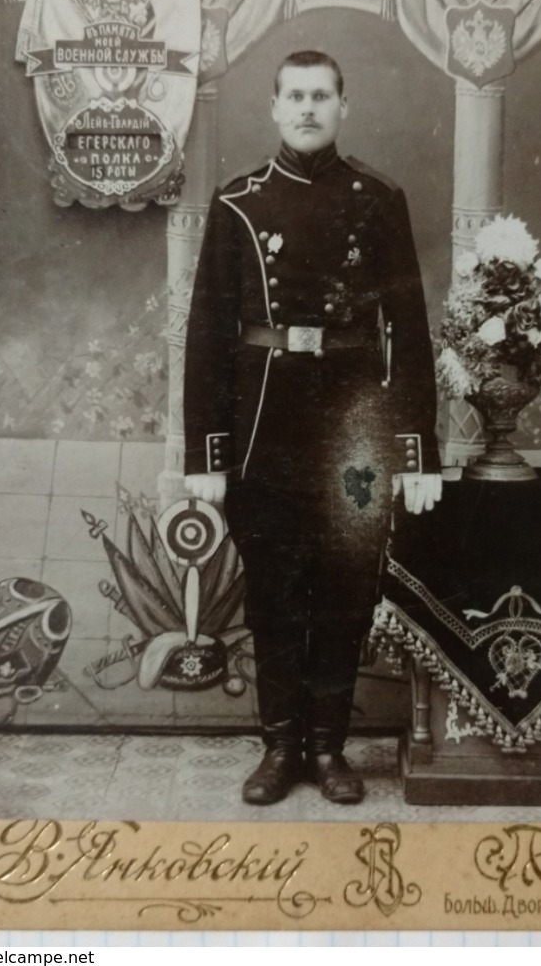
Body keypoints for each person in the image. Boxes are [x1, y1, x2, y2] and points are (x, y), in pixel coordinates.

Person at [183, 49, 442, 806]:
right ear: (273, 107)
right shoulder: (238, 204)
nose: (307, 108)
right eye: (294, 95)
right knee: (272, 591)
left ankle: (329, 748)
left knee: (344, 588)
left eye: (321, 95)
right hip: (264, 427)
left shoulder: (379, 197)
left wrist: (417, 449)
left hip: (353, 431)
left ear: (342, 105)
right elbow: (207, 333)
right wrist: (207, 452)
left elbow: (409, 328)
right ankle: (279, 748)